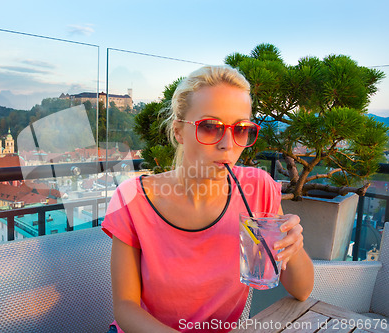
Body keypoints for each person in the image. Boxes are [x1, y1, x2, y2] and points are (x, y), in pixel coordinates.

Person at [101, 65, 314, 333]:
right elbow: (125, 309)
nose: (227, 144)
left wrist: (293, 246)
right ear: (179, 131)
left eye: (240, 129)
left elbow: (303, 291)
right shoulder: (134, 198)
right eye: (210, 127)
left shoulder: (258, 188)